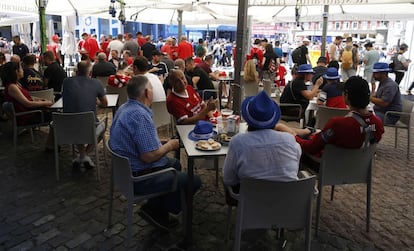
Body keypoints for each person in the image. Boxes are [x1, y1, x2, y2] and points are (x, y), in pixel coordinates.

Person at [110, 75, 201, 230]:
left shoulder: (125, 108)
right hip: (139, 177)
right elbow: (149, 156)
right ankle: (159, 210)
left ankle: (157, 208)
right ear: (146, 93)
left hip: (123, 172)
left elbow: (143, 144)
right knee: (194, 180)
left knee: (176, 163)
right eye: (152, 89)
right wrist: (170, 145)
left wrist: (162, 144)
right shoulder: (140, 115)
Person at [296, 76, 384, 172]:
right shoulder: (378, 124)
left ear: (346, 96)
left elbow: (310, 148)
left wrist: (294, 138)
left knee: (294, 148)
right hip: (359, 169)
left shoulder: (338, 124)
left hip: (330, 167)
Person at [223, 90, 301, 190]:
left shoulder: (238, 142)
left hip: (251, 200)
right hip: (287, 200)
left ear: (247, 119)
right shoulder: (289, 140)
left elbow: (228, 179)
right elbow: (295, 167)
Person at [62, 61, 108, 169]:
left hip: (66, 128)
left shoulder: (66, 82)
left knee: (77, 120)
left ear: (76, 71)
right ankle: (85, 155)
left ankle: (82, 155)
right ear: (90, 72)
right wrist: (97, 102)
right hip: (88, 127)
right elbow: (105, 103)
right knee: (101, 127)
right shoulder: (96, 83)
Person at [1, 61, 52, 126]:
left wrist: (42, 100)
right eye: (21, 68)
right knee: (56, 115)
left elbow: (29, 97)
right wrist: (46, 103)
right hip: (27, 117)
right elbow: (28, 104)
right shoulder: (12, 87)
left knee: (53, 114)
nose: (23, 70)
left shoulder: (16, 84)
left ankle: (53, 135)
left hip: (30, 113)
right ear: (16, 71)